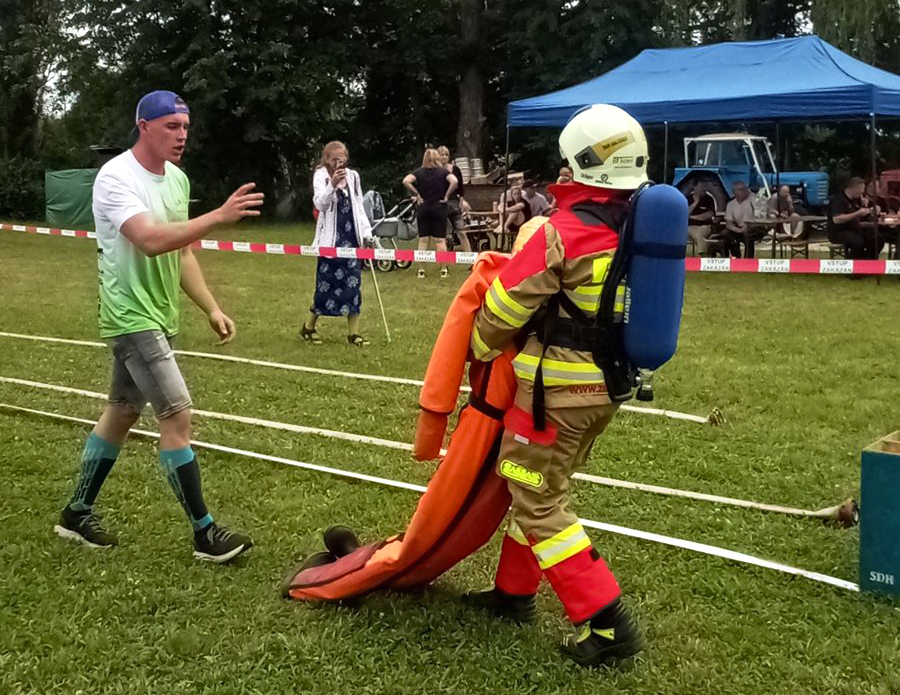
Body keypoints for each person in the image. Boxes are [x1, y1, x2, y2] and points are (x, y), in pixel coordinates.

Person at [464, 104, 647, 668]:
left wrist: (470, 349)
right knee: (538, 482)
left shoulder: (557, 231)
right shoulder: (635, 230)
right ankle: (514, 593)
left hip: (555, 398)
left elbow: (500, 312)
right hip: (603, 390)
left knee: (536, 493)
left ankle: (608, 623)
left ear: (578, 166)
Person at [54, 90, 262, 562]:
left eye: (186, 127)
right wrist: (219, 216)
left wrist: (210, 306)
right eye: (171, 126)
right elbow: (148, 239)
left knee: (123, 412)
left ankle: (76, 513)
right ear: (143, 126)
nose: (182, 136)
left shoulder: (178, 181)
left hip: (159, 315)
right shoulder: (116, 178)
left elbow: (181, 250)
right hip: (130, 316)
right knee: (177, 415)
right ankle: (205, 534)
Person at [302, 141, 373, 346]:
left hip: (351, 239)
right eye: (334, 160)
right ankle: (309, 327)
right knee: (325, 287)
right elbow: (320, 204)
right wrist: (332, 185)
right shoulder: (321, 176)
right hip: (330, 241)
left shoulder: (354, 177)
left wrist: (367, 233)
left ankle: (353, 333)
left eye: (342, 159)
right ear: (327, 159)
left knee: (353, 285)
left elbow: (358, 206)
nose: (338, 163)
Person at [403, 149, 458, 279]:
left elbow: (406, 181)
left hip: (423, 207)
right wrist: (446, 195)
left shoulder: (418, 172)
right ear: (437, 159)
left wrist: (416, 193)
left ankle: (421, 270)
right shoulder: (443, 172)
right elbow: (454, 181)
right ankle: (443, 269)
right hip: (439, 206)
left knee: (423, 241)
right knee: (440, 240)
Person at [828, 176, 882, 259]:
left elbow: (864, 214)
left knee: (877, 239)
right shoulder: (838, 200)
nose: (862, 192)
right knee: (858, 242)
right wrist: (858, 213)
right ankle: (854, 265)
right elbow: (837, 219)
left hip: (855, 229)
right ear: (853, 188)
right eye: (861, 190)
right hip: (839, 231)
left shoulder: (856, 200)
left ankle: (870, 263)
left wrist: (872, 210)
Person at [438, 145, 472, 253]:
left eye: (446, 155)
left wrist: (461, 201)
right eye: (442, 154)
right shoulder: (435, 171)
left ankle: (470, 258)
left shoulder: (455, 169)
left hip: (454, 203)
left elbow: (461, 187)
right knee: (443, 234)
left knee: (462, 232)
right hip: (440, 204)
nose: (444, 157)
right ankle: (444, 262)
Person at [724, 181, 764, 257]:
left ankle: (748, 259)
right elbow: (729, 223)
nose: (743, 191)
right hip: (739, 228)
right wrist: (738, 230)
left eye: (744, 189)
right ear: (734, 192)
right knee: (726, 234)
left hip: (755, 227)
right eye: (740, 189)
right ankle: (735, 256)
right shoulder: (731, 204)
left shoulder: (755, 200)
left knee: (748, 235)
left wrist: (747, 227)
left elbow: (759, 217)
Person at [686, 180, 718, 255]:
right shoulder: (687, 199)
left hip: (704, 226)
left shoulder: (709, 199)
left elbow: (709, 215)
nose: (704, 189)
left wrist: (691, 217)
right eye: (702, 187)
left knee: (698, 234)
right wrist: (695, 203)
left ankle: (703, 255)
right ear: (694, 187)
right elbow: (685, 214)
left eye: (705, 187)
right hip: (689, 227)